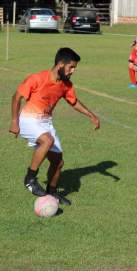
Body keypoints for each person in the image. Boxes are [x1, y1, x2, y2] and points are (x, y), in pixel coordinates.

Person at [9, 47, 100, 205]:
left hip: (46, 122)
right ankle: (30, 178)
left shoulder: (66, 85)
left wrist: (91, 115)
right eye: (71, 67)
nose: (73, 71)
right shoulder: (37, 78)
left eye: (74, 68)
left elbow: (74, 102)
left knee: (58, 163)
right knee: (47, 141)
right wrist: (15, 121)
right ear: (60, 64)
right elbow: (16, 97)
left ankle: (52, 193)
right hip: (28, 119)